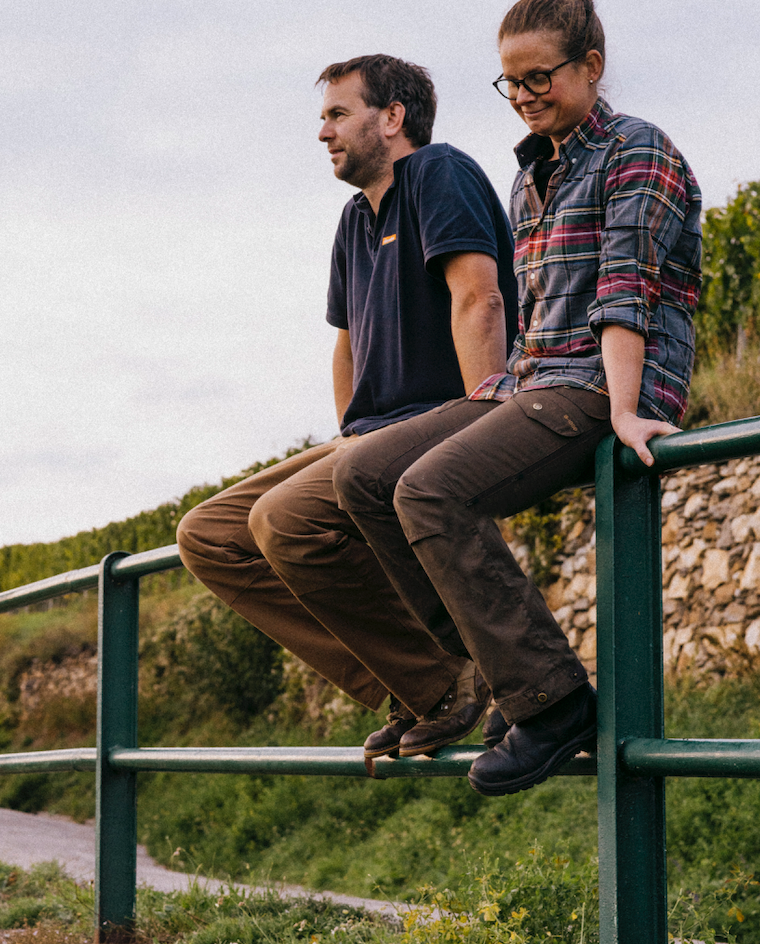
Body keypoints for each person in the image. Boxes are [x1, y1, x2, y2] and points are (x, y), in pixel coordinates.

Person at [331, 0, 703, 795]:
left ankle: (551, 701)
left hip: (605, 383)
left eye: (542, 77)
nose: (525, 96)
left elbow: (625, 289)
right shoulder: (532, 172)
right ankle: (497, 678)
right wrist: (496, 388)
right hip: (538, 380)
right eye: (512, 82)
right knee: (363, 477)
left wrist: (627, 409)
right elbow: (535, 309)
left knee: (430, 490)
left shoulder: (637, 149)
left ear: (591, 66)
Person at [176, 53, 519, 760]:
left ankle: (442, 682)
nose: (323, 132)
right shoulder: (354, 219)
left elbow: (479, 298)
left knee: (284, 518)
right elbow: (348, 344)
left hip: (442, 420)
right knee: (209, 535)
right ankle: (416, 681)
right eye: (323, 117)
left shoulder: (439, 172)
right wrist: (348, 436)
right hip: (368, 435)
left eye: (338, 114)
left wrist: (483, 429)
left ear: (392, 117)